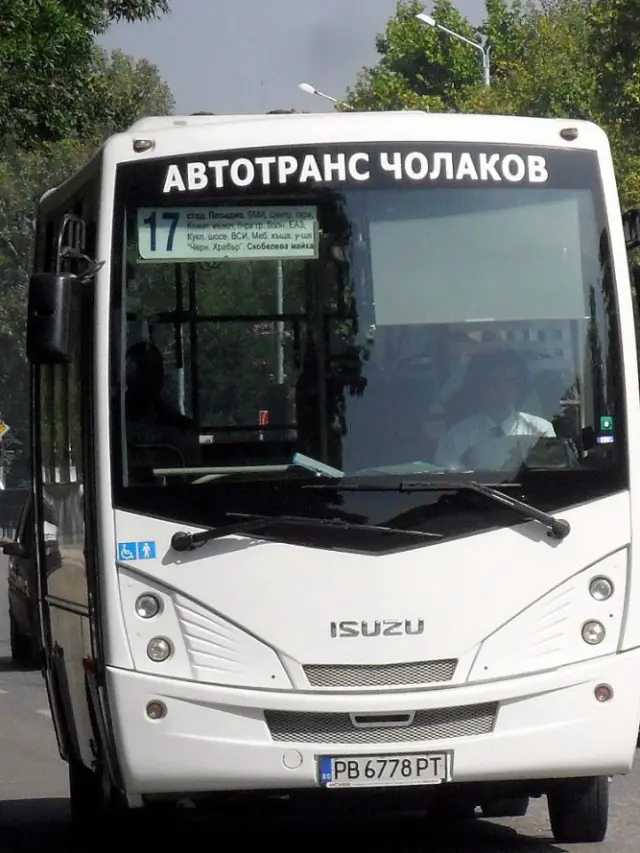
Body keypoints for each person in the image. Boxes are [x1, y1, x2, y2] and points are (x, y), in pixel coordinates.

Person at [434, 349, 555, 470]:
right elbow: (447, 476)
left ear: (520, 386)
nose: (502, 388)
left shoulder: (540, 431)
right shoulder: (456, 438)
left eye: (511, 381)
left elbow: (550, 475)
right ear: (481, 386)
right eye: (495, 380)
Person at [125, 341, 197, 457]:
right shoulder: (112, 419)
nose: (151, 379)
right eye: (143, 371)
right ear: (129, 377)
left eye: (157, 371)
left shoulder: (181, 426)